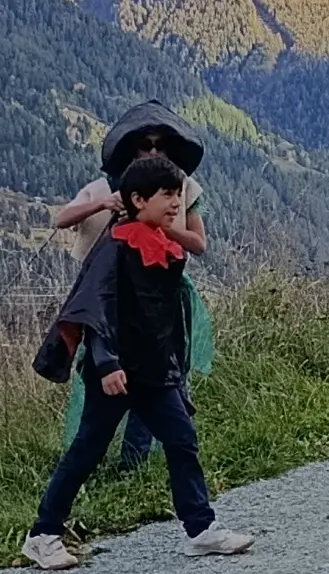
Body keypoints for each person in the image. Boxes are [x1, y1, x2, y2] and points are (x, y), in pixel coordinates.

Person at [24, 150, 252, 571]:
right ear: (137, 200)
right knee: (87, 451)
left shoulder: (166, 245)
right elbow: (95, 307)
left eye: (178, 194)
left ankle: (201, 529)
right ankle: (42, 534)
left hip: (155, 373)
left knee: (182, 439)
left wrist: (174, 374)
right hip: (116, 373)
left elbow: (162, 319)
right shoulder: (115, 245)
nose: (175, 204)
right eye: (166, 195)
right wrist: (107, 363)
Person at [49, 102, 209, 470]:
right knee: (105, 369)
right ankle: (87, 457)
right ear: (130, 148)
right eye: (145, 144)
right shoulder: (106, 187)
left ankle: (133, 464)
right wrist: (103, 204)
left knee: (157, 372)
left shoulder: (181, 189)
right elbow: (62, 219)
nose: (152, 151)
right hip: (110, 297)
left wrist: (160, 226)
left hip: (162, 297)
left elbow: (199, 244)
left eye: (159, 145)